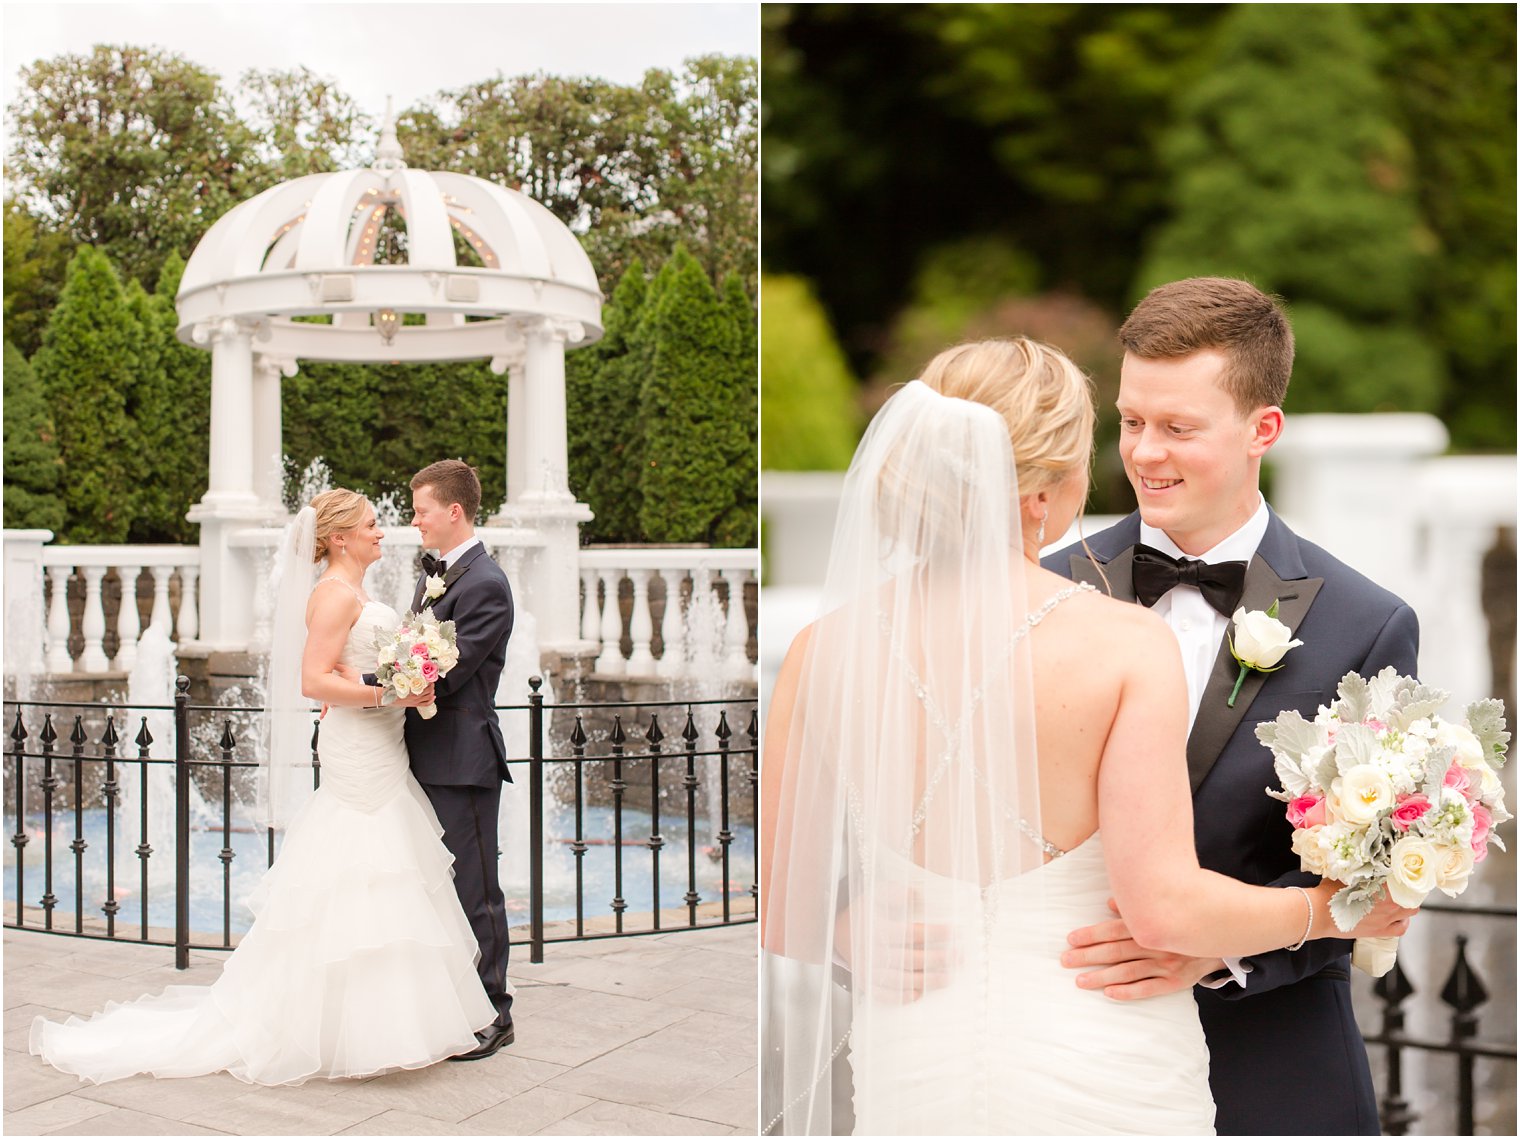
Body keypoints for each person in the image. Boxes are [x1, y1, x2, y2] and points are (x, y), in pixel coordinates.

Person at [760, 338, 1413, 1135]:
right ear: (1040, 494)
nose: (1131, 455)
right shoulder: (1122, 642)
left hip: (916, 1054)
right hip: (1099, 1058)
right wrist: (1335, 911)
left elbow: (778, 898)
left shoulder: (819, 651)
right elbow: (1163, 909)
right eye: (1110, 433)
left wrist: (841, 927)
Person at [1046, 277, 1420, 1135]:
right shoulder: (1046, 589)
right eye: (1133, 421)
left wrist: (1216, 946)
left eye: (1178, 427)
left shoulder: (1367, 624)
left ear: (1263, 429)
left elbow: (1378, 881)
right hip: (1069, 1043)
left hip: (1274, 1066)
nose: (1144, 452)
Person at [30, 489, 496, 1085]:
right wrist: (388, 692)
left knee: (388, 869)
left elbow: (354, 672)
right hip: (360, 750)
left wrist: (403, 682)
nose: (383, 532)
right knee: (361, 865)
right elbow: (313, 681)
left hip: (382, 742)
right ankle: (334, 1025)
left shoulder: (356, 592)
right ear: (339, 538)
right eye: (372, 525)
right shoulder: (331, 595)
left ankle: (374, 1021)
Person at [400, 459, 516, 1060]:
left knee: (476, 890)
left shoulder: (486, 583)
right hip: (423, 755)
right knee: (436, 887)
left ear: (454, 510)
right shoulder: (437, 576)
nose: (414, 520)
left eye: (421, 510)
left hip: (463, 759)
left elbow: (444, 671)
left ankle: (495, 1011)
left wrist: (363, 685)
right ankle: (452, 1002)